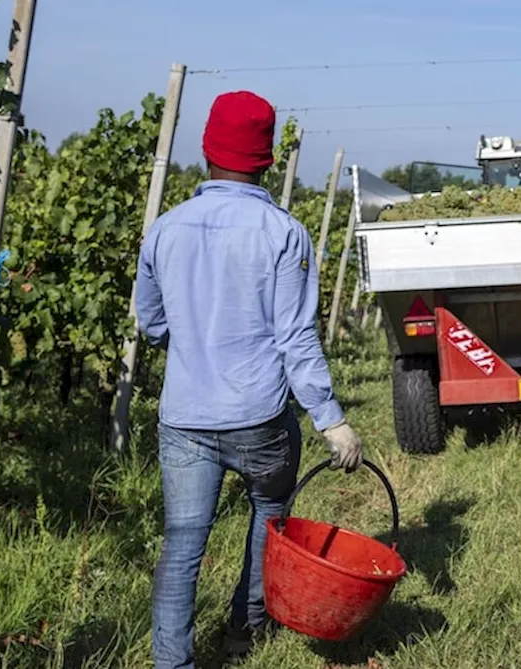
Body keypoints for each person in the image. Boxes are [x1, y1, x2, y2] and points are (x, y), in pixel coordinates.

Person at [135, 90, 365, 669]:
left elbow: (151, 321)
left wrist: (192, 347)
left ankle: (172, 662)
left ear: (206, 149)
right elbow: (295, 338)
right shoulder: (283, 232)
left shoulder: (165, 229)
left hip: (184, 417)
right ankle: (245, 628)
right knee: (270, 513)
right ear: (265, 160)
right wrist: (330, 420)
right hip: (259, 417)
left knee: (183, 542)